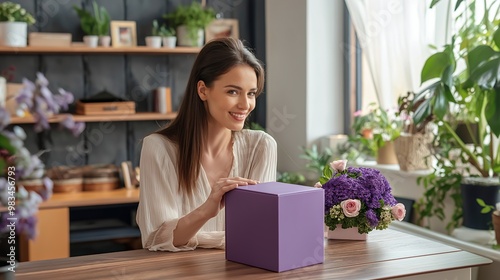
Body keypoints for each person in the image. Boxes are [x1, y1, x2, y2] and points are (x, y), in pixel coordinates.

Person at [136, 38, 277, 252]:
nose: (245, 104)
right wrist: (205, 211)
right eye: (232, 91)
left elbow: (261, 231)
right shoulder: (159, 148)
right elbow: (156, 239)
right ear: (203, 90)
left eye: (251, 93)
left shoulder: (261, 147)